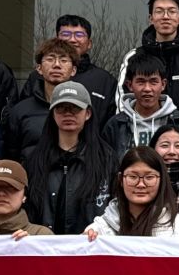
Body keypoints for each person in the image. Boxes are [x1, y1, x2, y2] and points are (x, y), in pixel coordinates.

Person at [26, 80, 114, 234]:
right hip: (44, 244)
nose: (68, 113)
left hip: (90, 243)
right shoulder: (36, 159)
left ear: (88, 113)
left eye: (75, 108)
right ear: (53, 114)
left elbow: (116, 206)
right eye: (61, 108)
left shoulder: (106, 158)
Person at [90, 146, 179, 239]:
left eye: (149, 177)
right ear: (120, 179)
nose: (141, 184)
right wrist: (87, 239)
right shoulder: (100, 227)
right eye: (133, 177)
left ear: (161, 180)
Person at [3, 36, 84, 158]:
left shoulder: (82, 110)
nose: (56, 65)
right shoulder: (20, 111)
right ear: (39, 68)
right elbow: (11, 155)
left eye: (63, 60)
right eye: (50, 59)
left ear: (73, 70)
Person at [105, 51, 178, 153]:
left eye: (153, 82)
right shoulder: (115, 125)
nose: (147, 88)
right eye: (141, 82)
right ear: (130, 85)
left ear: (163, 85)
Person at [53, 13, 118, 117]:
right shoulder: (40, 77)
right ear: (56, 40)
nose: (72, 40)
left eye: (79, 35)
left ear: (89, 43)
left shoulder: (105, 81)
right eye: (65, 34)